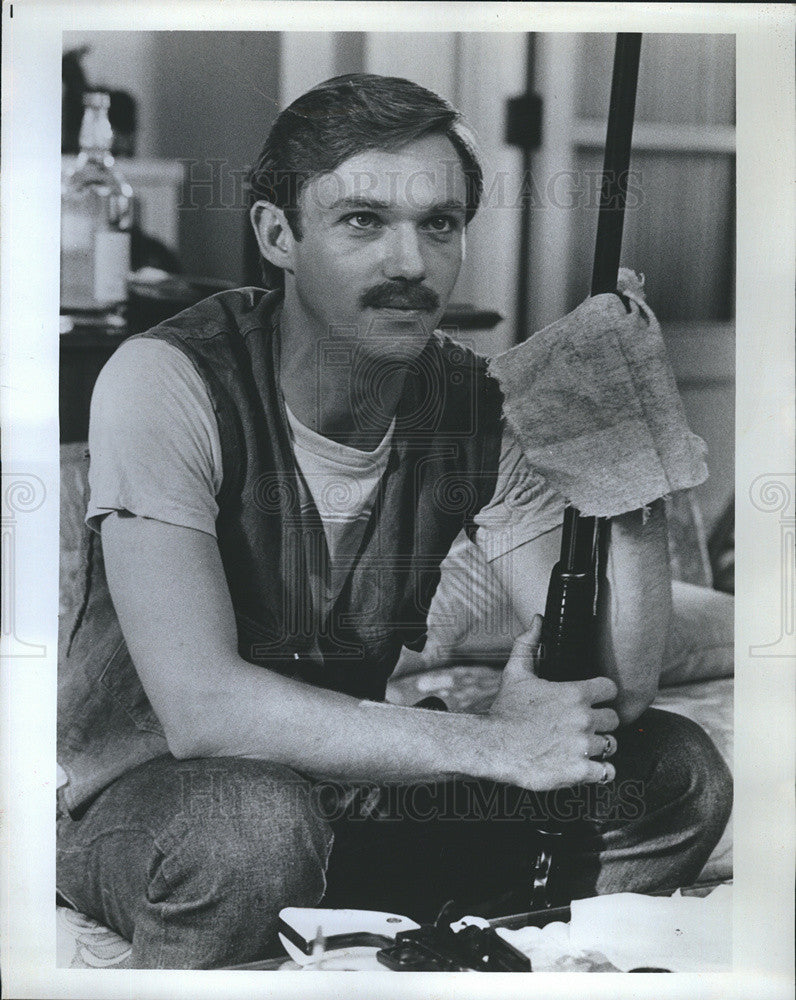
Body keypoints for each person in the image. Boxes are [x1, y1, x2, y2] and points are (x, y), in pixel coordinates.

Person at [56, 73, 732, 969]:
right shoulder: (164, 379)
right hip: (156, 801)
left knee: (672, 769)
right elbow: (202, 710)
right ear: (276, 235)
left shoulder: (467, 402)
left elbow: (613, 692)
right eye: (362, 222)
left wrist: (627, 469)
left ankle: (440, 941)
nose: (411, 264)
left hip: (354, 791)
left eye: (439, 225)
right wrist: (494, 744)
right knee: (250, 827)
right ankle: (398, 910)